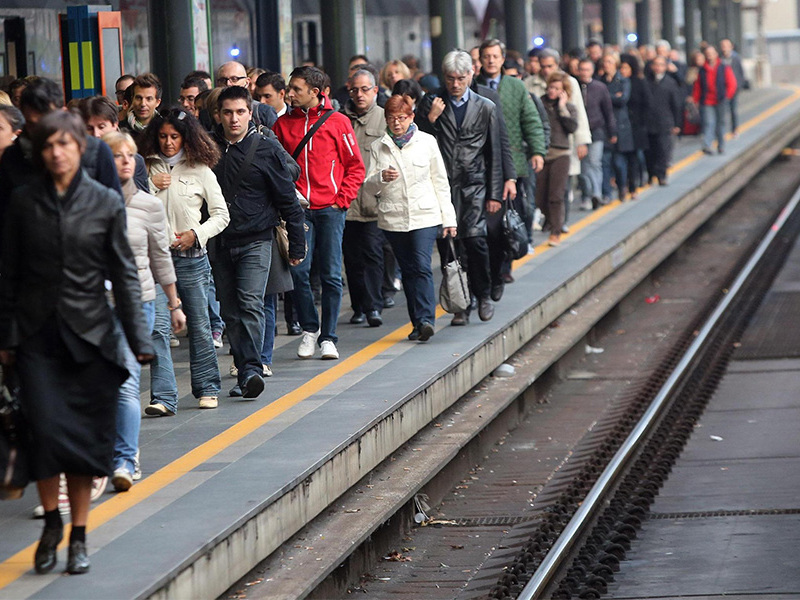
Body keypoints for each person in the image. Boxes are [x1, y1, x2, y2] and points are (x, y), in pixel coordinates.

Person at [0, 110, 153, 575]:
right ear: (41, 153)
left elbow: (124, 276)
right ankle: (51, 522)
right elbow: (7, 275)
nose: (57, 152)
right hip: (36, 338)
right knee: (43, 435)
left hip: (90, 337)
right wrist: (5, 337)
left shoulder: (105, 203)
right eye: (48, 146)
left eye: (65, 144)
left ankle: (80, 535)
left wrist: (138, 337)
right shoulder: (24, 202)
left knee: (85, 443)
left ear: (81, 148)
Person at [103, 130, 186, 490]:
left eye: (130, 155)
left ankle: (125, 458)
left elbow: (160, 257)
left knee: (126, 380)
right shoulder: (87, 201)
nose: (125, 160)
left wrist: (174, 302)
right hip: (93, 305)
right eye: (117, 155)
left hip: (140, 301)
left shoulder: (149, 205)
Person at [211, 86, 305, 397]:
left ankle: (251, 369)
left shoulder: (265, 148)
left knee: (251, 303)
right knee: (231, 310)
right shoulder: (208, 149)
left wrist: (297, 244)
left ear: (250, 114)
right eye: (228, 113)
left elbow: (288, 200)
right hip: (220, 241)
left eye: (240, 112)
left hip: (257, 239)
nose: (234, 119)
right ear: (218, 115)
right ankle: (245, 370)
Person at [139, 109, 230, 412]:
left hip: (190, 259)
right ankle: (163, 398)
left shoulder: (200, 169)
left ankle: (207, 388)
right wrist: (152, 184)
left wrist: (196, 234)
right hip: (155, 260)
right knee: (158, 329)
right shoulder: (145, 167)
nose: (168, 143)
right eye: (163, 136)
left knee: (200, 325)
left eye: (174, 137)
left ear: (186, 138)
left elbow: (221, 215)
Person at [273, 66, 366, 360]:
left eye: (296, 89)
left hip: (330, 210)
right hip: (296, 212)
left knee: (330, 274)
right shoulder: (282, 125)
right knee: (298, 273)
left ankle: (329, 337)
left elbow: (355, 166)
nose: (289, 94)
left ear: (315, 92)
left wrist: (341, 200)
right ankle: (309, 330)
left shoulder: (338, 122)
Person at [416, 50, 504, 325]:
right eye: (450, 78)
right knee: (450, 247)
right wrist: (429, 119)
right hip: (441, 186)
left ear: (470, 75)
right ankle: (460, 304)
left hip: (474, 184)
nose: (455, 84)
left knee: (476, 242)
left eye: (460, 78)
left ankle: (484, 293)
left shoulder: (485, 105)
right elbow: (416, 142)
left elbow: (495, 153)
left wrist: (494, 193)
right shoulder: (432, 102)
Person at [363, 95, 457, 341]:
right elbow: (369, 187)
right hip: (393, 217)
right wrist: (381, 177)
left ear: (411, 117)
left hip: (424, 215)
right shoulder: (378, 146)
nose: (397, 123)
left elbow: (440, 181)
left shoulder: (427, 142)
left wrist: (449, 219)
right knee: (407, 269)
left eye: (402, 118)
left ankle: (426, 319)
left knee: (422, 266)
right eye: (392, 119)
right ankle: (417, 323)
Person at [475, 39, 546, 299]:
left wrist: (537, 150)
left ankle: (505, 266)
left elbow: (530, 119)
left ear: (503, 59)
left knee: (514, 217)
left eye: (495, 56)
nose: (491, 60)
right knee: (490, 225)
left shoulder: (516, 86)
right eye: (486, 56)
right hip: (483, 168)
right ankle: (494, 270)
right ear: (480, 60)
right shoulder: (474, 87)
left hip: (515, 162)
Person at [0, 78, 121, 228]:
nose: (42, 132)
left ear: (63, 113)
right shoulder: (13, 157)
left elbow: (115, 214)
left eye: (48, 121)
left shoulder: (97, 151)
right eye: (33, 125)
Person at [342, 69, 387, 327]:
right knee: (352, 258)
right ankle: (358, 305)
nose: (360, 94)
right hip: (346, 201)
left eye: (365, 89)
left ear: (375, 91)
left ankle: (373, 307)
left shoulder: (384, 119)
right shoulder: (340, 119)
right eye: (355, 90)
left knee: (372, 254)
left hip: (372, 201)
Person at [537, 72, 578, 246]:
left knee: (556, 195)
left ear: (564, 91)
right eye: (551, 87)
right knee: (539, 196)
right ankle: (549, 218)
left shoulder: (569, 107)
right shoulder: (539, 103)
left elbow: (572, 127)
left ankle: (556, 231)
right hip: (541, 153)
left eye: (557, 89)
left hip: (561, 154)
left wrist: (562, 107)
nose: (552, 91)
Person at [81, 95, 150, 192]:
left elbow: (142, 201)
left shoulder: (133, 160)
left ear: (115, 125)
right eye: (89, 128)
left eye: (101, 127)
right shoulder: (76, 160)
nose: (96, 134)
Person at [577, 58, 616, 210]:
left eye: (587, 69)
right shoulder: (574, 86)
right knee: (583, 166)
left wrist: (612, 131)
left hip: (597, 130)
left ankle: (596, 193)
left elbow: (608, 111)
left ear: (592, 71)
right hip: (579, 132)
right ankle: (587, 195)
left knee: (594, 162)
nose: (584, 72)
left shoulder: (600, 88)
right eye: (582, 69)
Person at [601, 51, 635, 201]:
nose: (606, 65)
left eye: (609, 61)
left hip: (620, 125)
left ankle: (622, 186)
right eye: (605, 62)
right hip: (604, 125)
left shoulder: (623, 80)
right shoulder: (600, 80)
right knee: (605, 161)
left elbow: (623, 100)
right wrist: (614, 96)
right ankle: (607, 193)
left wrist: (606, 96)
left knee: (619, 161)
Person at [691, 45, 737, 154]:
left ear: (716, 54)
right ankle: (707, 145)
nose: (709, 56)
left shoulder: (724, 67)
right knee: (708, 122)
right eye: (707, 54)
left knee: (720, 123)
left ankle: (721, 146)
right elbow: (698, 86)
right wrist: (696, 99)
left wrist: (727, 96)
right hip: (706, 101)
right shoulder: (702, 70)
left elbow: (732, 83)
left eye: (711, 53)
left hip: (720, 100)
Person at [645, 56, 683, 185]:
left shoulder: (670, 83)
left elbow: (676, 104)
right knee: (650, 151)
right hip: (649, 122)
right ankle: (651, 174)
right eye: (656, 64)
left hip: (665, 122)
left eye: (661, 65)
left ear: (665, 67)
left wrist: (677, 124)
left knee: (663, 151)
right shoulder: (646, 81)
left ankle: (662, 175)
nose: (658, 67)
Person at [620, 54, 650, 199]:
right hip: (622, 126)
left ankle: (633, 186)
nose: (623, 71)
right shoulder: (617, 82)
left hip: (636, 126)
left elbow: (647, 103)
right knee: (621, 159)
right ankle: (625, 185)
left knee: (634, 157)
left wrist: (643, 123)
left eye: (625, 68)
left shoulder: (639, 83)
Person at [216, 61, 277, 130]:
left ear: (247, 82)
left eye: (234, 79)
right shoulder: (206, 112)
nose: (228, 83)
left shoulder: (263, 111)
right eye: (223, 80)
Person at [120, 73, 162, 141]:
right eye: (138, 98)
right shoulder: (120, 130)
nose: (143, 104)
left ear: (157, 102)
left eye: (149, 99)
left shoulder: (164, 129)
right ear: (132, 99)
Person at [720, 39, 746, 137]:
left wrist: (739, 86)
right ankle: (722, 131)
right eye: (723, 46)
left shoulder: (736, 58)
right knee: (723, 110)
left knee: (733, 110)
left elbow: (740, 72)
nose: (724, 48)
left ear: (731, 47)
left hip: (734, 88)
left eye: (726, 46)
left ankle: (734, 129)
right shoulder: (720, 59)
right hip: (723, 89)